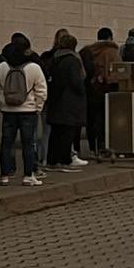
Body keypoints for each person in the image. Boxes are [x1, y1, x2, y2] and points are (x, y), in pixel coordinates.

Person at [0, 33, 47, 186]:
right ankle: (28, 176)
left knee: (6, 143)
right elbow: (42, 91)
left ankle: (4, 176)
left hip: (8, 111)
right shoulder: (34, 67)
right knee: (28, 144)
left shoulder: (2, 67)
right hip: (28, 111)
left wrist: (0, 105)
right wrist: (38, 107)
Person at [46, 34, 88, 169]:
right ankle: (65, 160)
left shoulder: (54, 59)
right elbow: (76, 82)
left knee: (55, 132)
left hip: (55, 101)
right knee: (68, 132)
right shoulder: (72, 60)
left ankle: (52, 160)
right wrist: (82, 92)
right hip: (70, 102)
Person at [79, 28, 121, 157]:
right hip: (106, 91)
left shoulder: (87, 51)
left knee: (91, 119)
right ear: (110, 37)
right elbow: (118, 73)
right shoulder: (112, 51)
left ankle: (93, 147)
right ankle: (103, 146)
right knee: (104, 119)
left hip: (90, 90)